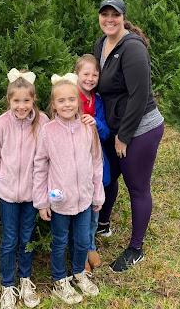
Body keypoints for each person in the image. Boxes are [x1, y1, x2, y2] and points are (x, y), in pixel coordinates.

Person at [94, 0, 165, 273]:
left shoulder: (133, 49)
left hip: (140, 128)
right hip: (115, 127)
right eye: (104, 14)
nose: (109, 19)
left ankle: (136, 249)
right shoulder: (101, 44)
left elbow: (138, 96)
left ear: (123, 17)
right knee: (108, 175)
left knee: (137, 187)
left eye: (115, 15)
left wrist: (124, 136)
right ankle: (103, 225)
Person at [33, 74, 105, 305]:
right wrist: (42, 201)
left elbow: (96, 162)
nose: (67, 105)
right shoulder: (49, 131)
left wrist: (97, 193)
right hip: (59, 200)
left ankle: (78, 273)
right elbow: (40, 166)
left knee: (83, 240)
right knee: (60, 241)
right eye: (61, 101)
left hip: (84, 198)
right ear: (53, 104)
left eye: (71, 100)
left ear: (79, 102)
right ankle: (59, 280)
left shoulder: (87, 128)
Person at [0, 68, 49, 309]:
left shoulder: (42, 122)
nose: (21, 106)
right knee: (9, 239)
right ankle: (7, 285)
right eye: (16, 101)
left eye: (26, 100)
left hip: (32, 193)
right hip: (9, 193)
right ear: (9, 100)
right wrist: (5, 174)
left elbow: (45, 155)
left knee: (26, 237)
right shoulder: (1, 124)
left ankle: (25, 279)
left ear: (33, 99)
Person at [74, 54, 110, 271]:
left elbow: (105, 133)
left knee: (94, 204)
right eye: (86, 74)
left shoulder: (99, 102)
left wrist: (96, 123)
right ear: (76, 74)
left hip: (95, 158)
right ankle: (79, 250)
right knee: (78, 207)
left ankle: (89, 245)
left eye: (94, 75)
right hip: (75, 161)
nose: (90, 78)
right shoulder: (70, 97)